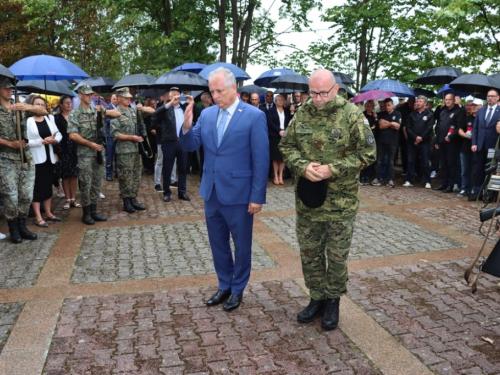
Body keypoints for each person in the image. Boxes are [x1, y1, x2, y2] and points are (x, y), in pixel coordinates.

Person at [279, 69, 376, 330]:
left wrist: (333, 168)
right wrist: (302, 166)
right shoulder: (302, 113)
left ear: (335, 89)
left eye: (323, 93)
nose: (318, 98)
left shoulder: (352, 114)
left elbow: (368, 153)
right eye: (313, 92)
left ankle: (333, 300)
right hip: (308, 201)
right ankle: (316, 298)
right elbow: (286, 147)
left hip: (340, 203)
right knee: (310, 254)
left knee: (336, 256)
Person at [180, 67, 269, 311]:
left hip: (240, 194)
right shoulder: (207, 115)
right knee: (217, 243)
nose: (215, 95)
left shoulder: (253, 116)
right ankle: (224, 284)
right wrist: (187, 127)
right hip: (212, 192)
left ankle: (238, 288)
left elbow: (261, 159)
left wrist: (257, 196)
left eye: (219, 90)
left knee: (241, 246)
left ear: (233, 88)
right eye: (211, 91)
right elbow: (190, 145)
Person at [0, 77, 45, 243]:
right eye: (5, 88)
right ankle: (13, 228)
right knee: (11, 196)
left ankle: (22, 226)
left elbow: (44, 112)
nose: (9, 90)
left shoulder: (19, 107)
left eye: (10, 88)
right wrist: (9, 143)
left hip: (25, 157)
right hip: (5, 158)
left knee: (26, 195)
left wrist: (26, 106)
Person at [68, 85, 120, 225]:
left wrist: (103, 110)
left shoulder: (96, 111)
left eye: (91, 94)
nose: (89, 96)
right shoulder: (75, 114)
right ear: (80, 95)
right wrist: (90, 144)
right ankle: (86, 213)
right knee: (86, 183)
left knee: (97, 182)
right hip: (85, 154)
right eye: (86, 94)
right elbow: (72, 134)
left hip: (98, 153)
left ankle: (94, 210)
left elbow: (117, 114)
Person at [110, 87, 154, 213]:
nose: (129, 99)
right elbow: (115, 134)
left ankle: (133, 199)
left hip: (136, 150)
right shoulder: (116, 114)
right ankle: (126, 201)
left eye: (129, 97)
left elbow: (152, 111)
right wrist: (131, 137)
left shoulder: (133, 112)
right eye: (126, 97)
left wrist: (142, 108)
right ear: (118, 98)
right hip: (124, 151)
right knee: (125, 177)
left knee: (136, 176)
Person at [155, 87, 198, 203]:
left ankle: (182, 192)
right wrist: (170, 104)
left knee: (183, 167)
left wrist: (192, 104)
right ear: (169, 97)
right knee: (168, 167)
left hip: (183, 141)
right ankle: (166, 192)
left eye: (178, 95)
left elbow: (197, 115)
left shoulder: (184, 108)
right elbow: (156, 114)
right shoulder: (165, 109)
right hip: (169, 141)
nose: (176, 97)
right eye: (173, 95)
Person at [27, 96, 63, 227]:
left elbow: (58, 134)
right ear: (31, 106)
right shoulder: (28, 121)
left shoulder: (49, 118)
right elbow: (25, 142)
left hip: (49, 158)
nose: (40, 107)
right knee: (38, 187)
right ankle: (38, 216)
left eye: (42, 104)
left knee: (48, 186)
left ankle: (48, 213)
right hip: (36, 159)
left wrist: (54, 140)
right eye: (37, 104)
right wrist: (41, 141)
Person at [471, 89, 500, 200]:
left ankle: (490, 193)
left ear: (497, 98)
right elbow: (476, 128)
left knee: (491, 169)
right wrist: (474, 143)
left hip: (494, 146)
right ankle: (477, 191)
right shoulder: (481, 111)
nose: (490, 98)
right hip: (480, 145)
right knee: (479, 169)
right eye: (488, 96)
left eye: (493, 96)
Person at [433, 94, 464, 193]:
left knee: (451, 164)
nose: (447, 101)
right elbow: (438, 126)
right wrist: (437, 140)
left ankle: (450, 184)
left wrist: (451, 137)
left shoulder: (458, 112)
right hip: (441, 141)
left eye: (449, 99)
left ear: (454, 100)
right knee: (443, 164)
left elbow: (459, 127)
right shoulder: (443, 112)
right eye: (446, 100)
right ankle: (443, 183)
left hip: (452, 142)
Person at [54, 95, 80, 210]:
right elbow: (54, 134)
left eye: (70, 102)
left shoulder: (75, 116)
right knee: (65, 175)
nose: (69, 104)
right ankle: (68, 200)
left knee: (74, 175)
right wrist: (55, 152)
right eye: (66, 103)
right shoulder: (57, 118)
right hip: (63, 149)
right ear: (61, 105)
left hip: (75, 148)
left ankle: (73, 199)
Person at [403, 95, 434, 189]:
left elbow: (429, 128)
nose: (418, 102)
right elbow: (408, 127)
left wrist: (420, 138)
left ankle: (427, 181)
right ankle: (409, 180)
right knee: (411, 161)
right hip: (412, 141)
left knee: (425, 162)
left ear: (425, 103)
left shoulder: (429, 114)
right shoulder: (412, 114)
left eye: (420, 101)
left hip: (424, 142)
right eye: (417, 101)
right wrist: (415, 137)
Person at [371, 98, 401, 187]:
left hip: (392, 142)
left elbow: (398, 126)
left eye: (389, 105)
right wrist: (392, 123)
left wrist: (387, 123)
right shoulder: (381, 114)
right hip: (381, 141)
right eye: (385, 105)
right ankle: (378, 178)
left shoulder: (398, 114)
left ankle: (390, 179)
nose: (387, 107)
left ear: (392, 105)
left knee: (391, 162)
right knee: (379, 161)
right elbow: (380, 125)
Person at [458, 98, 482, 197]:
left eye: (476, 105)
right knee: (465, 170)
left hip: (478, 148)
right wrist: (466, 135)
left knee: (476, 169)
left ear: (481, 106)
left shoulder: (483, 119)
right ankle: (465, 188)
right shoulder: (467, 118)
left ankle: (475, 188)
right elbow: (459, 130)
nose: (473, 107)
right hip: (466, 147)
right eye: (472, 105)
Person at [266, 94, 291, 185]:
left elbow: (290, 121)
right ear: (275, 101)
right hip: (274, 136)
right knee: (275, 157)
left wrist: (284, 131)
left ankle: (281, 176)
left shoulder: (287, 111)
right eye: (278, 100)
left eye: (281, 100)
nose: (280, 101)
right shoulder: (271, 111)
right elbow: (270, 122)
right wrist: (279, 130)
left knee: (282, 157)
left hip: (284, 135)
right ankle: (275, 176)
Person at [359, 100, 377, 184]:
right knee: (363, 158)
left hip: (372, 139)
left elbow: (377, 126)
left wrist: (376, 118)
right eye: (368, 106)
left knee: (370, 159)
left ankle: (368, 177)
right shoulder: (362, 114)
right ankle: (362, 177)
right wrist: (370, 128)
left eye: (371, 106)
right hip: (364, 139)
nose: (369, 108)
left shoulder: (374, 115)